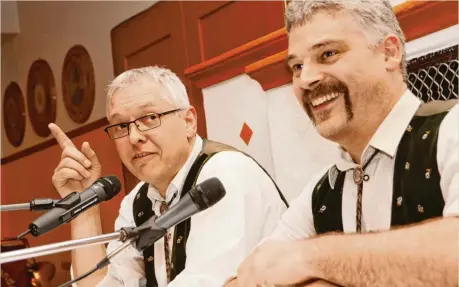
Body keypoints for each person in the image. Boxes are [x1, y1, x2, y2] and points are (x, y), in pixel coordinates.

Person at [228, 0, 458, 286]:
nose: (305, 80)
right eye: (297, 66)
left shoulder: (452, 129)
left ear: (389, 53)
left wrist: (310, 259)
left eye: (328, 54)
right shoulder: (322, 192)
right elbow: (248, 277)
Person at [49, 66, 288, 287]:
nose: (134, 137)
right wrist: (83, 206)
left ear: (188, 122)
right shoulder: (138, 201)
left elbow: (205, 282)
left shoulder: (225, 176)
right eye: (121, 126)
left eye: (149, 118)